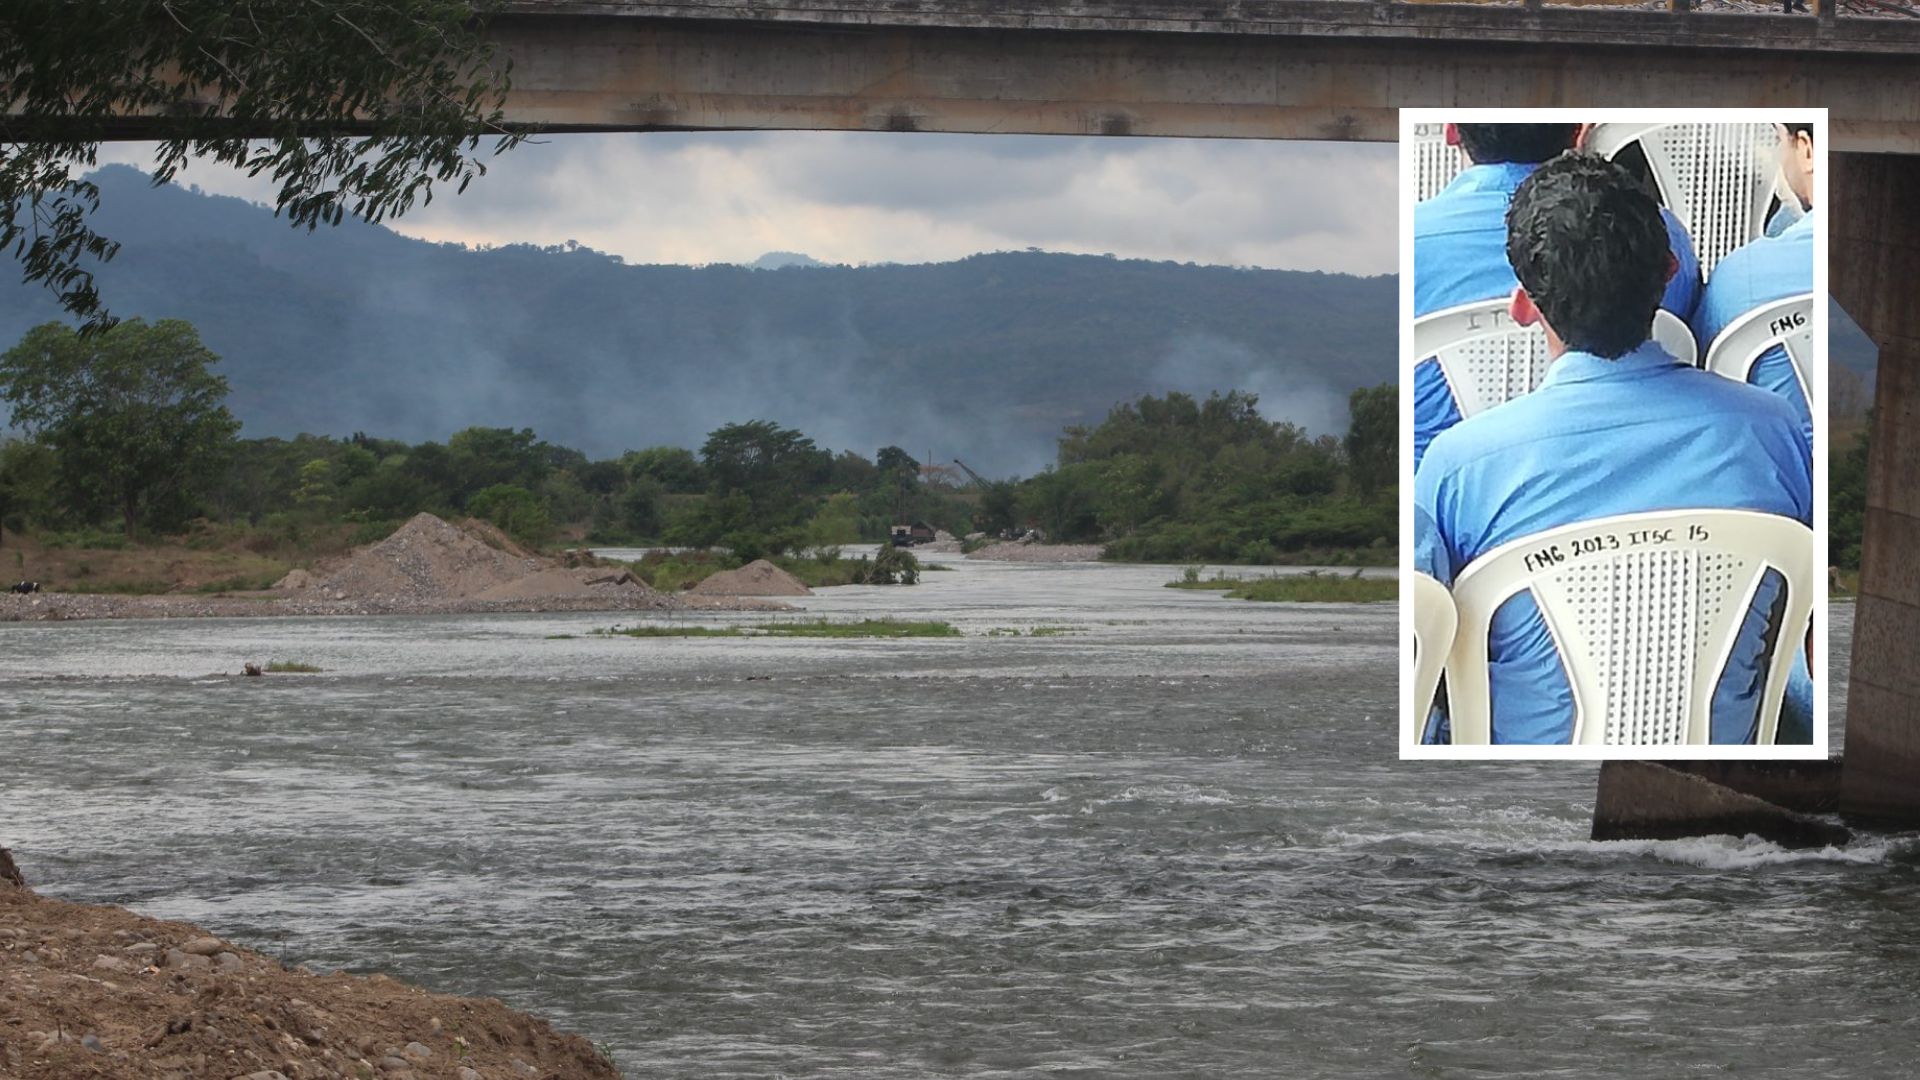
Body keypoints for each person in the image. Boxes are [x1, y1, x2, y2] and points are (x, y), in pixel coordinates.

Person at [1415, 153, 1813, 745]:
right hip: (1720, 768)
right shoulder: (1772, 430)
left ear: (1524, 305)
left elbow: (1419, 655)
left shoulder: (1456, 466)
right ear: (1671, 269)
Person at [1413, 123, 1702, 471]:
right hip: (1646, 460)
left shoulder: (1408, 240)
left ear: (1451, 131)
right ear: (1579, 132)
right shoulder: (1657, 232)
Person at [1691, 122, 1816, 447]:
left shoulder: (1737, 277)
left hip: (1773, 466)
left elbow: (1702, 376)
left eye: (1779, 138)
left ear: (1806, 149)